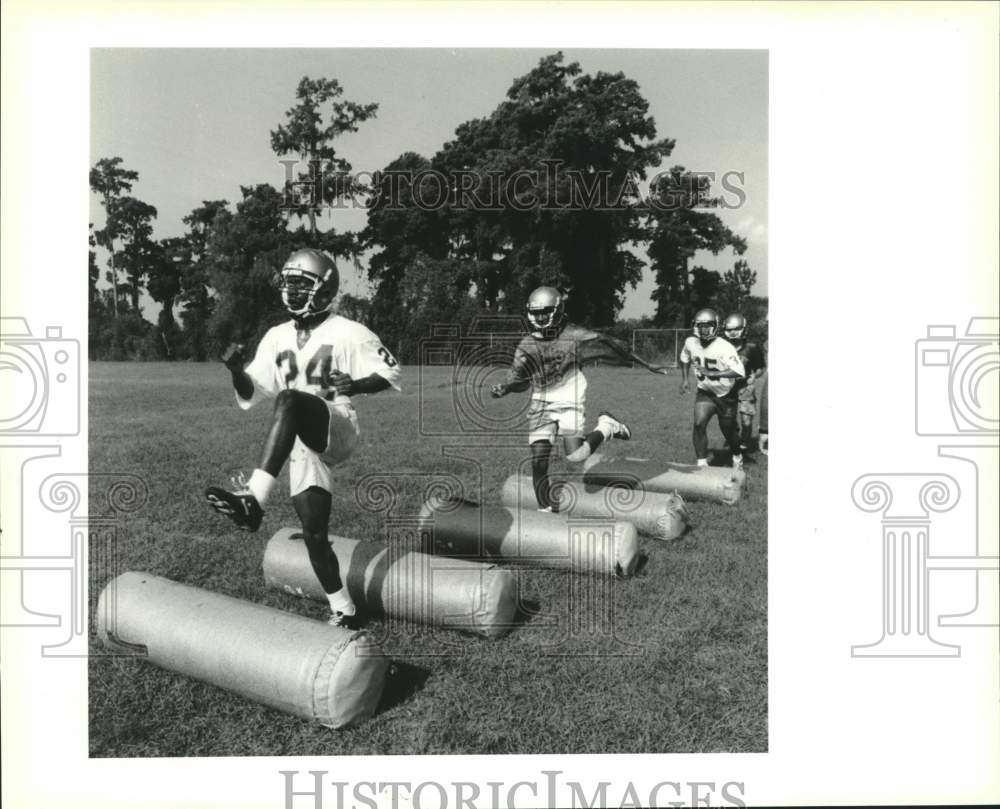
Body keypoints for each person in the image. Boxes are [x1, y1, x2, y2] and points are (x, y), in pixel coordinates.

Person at [205, 248, 400, 628]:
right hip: (299, 440)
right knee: (313, 533)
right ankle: (344, 608)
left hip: (337, 424)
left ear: (324, 289)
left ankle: (253, 500)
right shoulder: (277, 336)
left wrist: (356, 383)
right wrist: (233, 370)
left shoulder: (348, 330)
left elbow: (390, 372)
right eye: (289, 284)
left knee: (291, 398)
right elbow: (253, 389)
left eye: (302, 284)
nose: (292, 292)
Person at [490, 286, 667, 512]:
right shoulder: (526, 345)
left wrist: (646, 363)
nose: (540, 317)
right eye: (536, 312)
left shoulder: (574, 335)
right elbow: (521, 381)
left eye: (546, 311)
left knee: (576, 455)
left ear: (557, 310)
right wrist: (505, 387)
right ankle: (546, 511)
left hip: (568, 397)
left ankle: (606, 427)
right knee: (537, 460)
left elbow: (611, 344)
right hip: (541, 402)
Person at [678, 308, 746, 477]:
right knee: (699, 423)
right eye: (700, 326)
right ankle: (702, 463)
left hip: (726, 394)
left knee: (728, 431)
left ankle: (737, 456)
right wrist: (685, 379)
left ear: (715, 326)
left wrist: (714, 373)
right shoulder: (690, 342)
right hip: (705, 391)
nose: (704, 329)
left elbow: (739, 371)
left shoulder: (725, 347)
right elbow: (684, 358)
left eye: (708, 325)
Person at [722, 313, 766, 458]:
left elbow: (760, 368)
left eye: (737, 328)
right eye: (730, 329)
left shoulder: (752, 348)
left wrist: (755, 376)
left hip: (745, 389)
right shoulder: (721, 347)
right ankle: (734, 440)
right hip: (726, 389)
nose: (733, 332)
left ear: (743, 329)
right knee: (729, 421)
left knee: (746, 422)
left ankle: (743, 446)